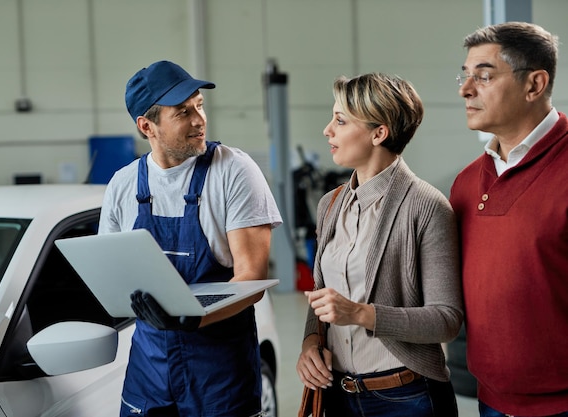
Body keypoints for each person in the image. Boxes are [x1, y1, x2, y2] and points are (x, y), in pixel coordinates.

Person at [98, 60, 282, 417]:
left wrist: (193, 318)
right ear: (146, 125)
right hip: (149, 367)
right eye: (183, 112)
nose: (199, 119)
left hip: (220, 371)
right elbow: (113, 277)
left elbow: (253, 278)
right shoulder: (122, 184)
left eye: (199, 106)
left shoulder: (233, 172)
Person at [295, 72, 464, 416]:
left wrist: (360, 313)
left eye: (340, 120)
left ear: (379, 132)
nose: (328, 130)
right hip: (339, 395)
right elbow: (321, 294)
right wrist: (311, 341)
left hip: (406, 398)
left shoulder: (426, 206)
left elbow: (446, 319)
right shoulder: (330, 204)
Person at [450, 22, 568, 416]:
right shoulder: (466, 184)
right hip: (492, 402)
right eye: (465, 76)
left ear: (534, 85)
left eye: (483, 76)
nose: (466, 90)